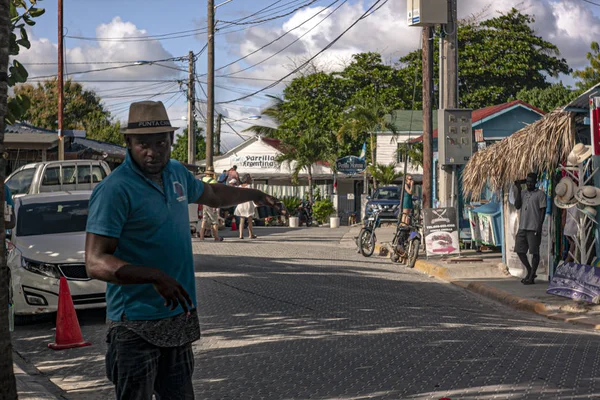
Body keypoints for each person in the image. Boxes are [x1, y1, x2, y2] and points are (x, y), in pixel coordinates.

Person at [84, 101, 279, 400]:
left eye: (161, 142)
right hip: (134, 325)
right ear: (128, 143)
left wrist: (255, 193)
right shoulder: (115, 189)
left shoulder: (176, 172)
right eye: (143, 144)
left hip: (177, 319)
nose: (153, 152)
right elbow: (96, 262)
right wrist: (153, 276)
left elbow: (213, 193)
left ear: (172, 140)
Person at [514, 173, 546, 285]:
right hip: (523, 226)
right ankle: (529, 270)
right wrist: (518, 189)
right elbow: (517, 206)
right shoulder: (523, 193)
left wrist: (539, 226)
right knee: (519, 250)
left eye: (531, 181)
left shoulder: (540, 194)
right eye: (527, 181)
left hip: (534, 228)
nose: (529, 183)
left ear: (535, 182)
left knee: (534, 252)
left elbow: (543, 211)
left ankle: (532, 276)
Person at [199, 172, 222, 241]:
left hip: (203, 201)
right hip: (211, 202)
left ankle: (201, 236)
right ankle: (216, 237)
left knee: (204, 219)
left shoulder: (201, 180)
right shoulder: (213, 181)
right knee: (214, 220)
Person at [234, 174, 257, 239]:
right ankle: (251, 234)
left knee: (242, 220)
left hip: (241, 204)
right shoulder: (249, 187)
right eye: (250, 178)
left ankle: (240, 235)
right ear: (247, 179)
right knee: (250, 220)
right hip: (248, 204)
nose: (251, 179)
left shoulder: (239, 187)